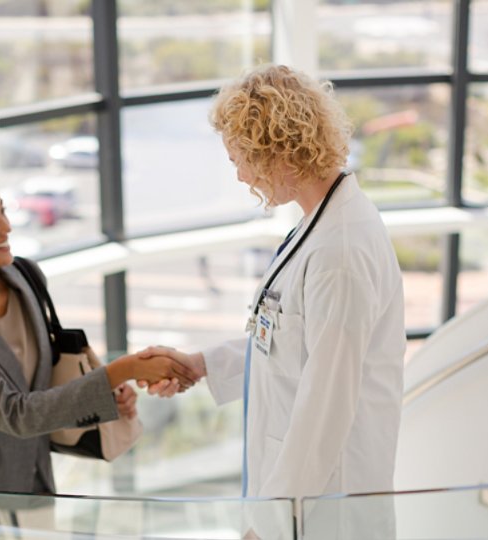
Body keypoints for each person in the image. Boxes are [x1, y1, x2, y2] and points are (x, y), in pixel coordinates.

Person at [142, 65, 406, 506]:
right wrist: (201, 363)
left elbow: (326, 408)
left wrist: (272, 523)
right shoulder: (319, 226)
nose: (243, 177)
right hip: (297, 495)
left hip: (323, 506)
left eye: (239, 159)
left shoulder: (339, 254)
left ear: (277, 151)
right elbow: (288, 345)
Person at [0, 165, 199, 496]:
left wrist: (108, 396)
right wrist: (123, 369)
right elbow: (17, 413)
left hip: (36, 482)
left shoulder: (25, 276)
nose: (7, 227)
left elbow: (40, 384)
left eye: (2, 211)